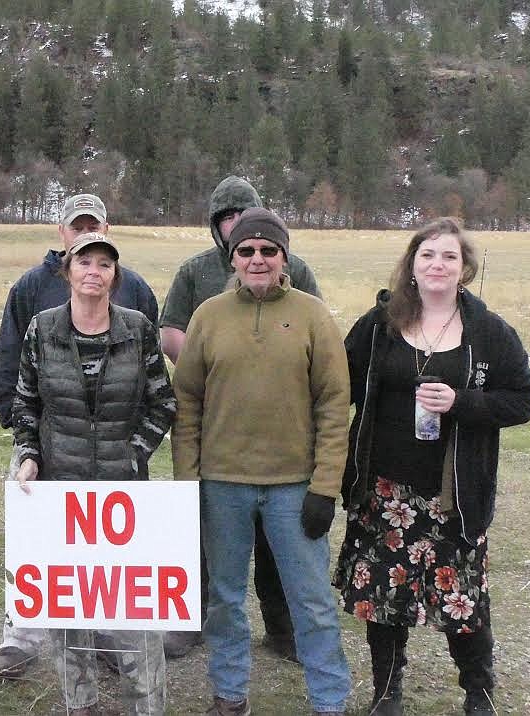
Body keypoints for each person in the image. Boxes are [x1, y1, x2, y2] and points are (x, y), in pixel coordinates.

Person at [333, 218, 530, 716]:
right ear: (412, 266)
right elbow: (340, 386)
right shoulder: (379, 326)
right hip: (384, 491)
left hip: (454, 495)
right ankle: (386, 692)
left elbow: (521, 401)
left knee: (462, 603)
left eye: (448, 256)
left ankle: (478, 692)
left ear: (464, 267)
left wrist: (463, 401)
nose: (437, 264)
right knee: (384, 598)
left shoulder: (489, 333)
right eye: (427, 255)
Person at [172, 208, 351, 716]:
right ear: (233, 258)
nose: (256, 259)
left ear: (283, 258)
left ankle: (329, 701)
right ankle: (230, 695)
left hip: (293, 487)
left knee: (311, 601)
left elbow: (335, 406)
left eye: (267, 250)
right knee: (225, 601)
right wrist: (188, 482)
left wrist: (325, 486)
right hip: (222, 484)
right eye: (246, 251)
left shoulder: (313, 315)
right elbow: (186, 404)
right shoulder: (208, 315)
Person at [0, 193, 159, 678]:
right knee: (35, 549)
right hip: (47, 448)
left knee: (107, 556)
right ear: (62, 237)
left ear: (108, 231)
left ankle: (103, 635)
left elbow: (154, 387)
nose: (92, 264)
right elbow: (12, 365)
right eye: (77, 230)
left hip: (112, 457)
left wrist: (134, 451)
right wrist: (25, 442)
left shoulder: (135, 291)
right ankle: (20, 636)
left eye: (95, 228)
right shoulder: (30, 289)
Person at [12, 232, 176, 716]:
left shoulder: (138, 329)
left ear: (114, 277)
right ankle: (79, 704)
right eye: (85, 261)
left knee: (134, 613)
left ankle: (146, 706)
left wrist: (134, 455)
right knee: (68, 611)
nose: (94, 271)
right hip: (60, 494)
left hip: (121, 498)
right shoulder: (42, 330)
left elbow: (161, 402)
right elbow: (26, 404)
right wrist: (30, 454)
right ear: (68, 270)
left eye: (105, 264)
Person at [159, 175, 321, 660]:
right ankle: (193, 620)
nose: (234, 228)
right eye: (225, 219)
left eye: (241, 215)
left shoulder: (298, 269)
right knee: (208, 532)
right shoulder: (194, 272)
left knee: (277, 540)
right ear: (215, 226)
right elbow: (170, 329)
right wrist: (211, 367)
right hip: (216, 424)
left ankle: (282, 626)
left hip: (280, 430)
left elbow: (314, 331)